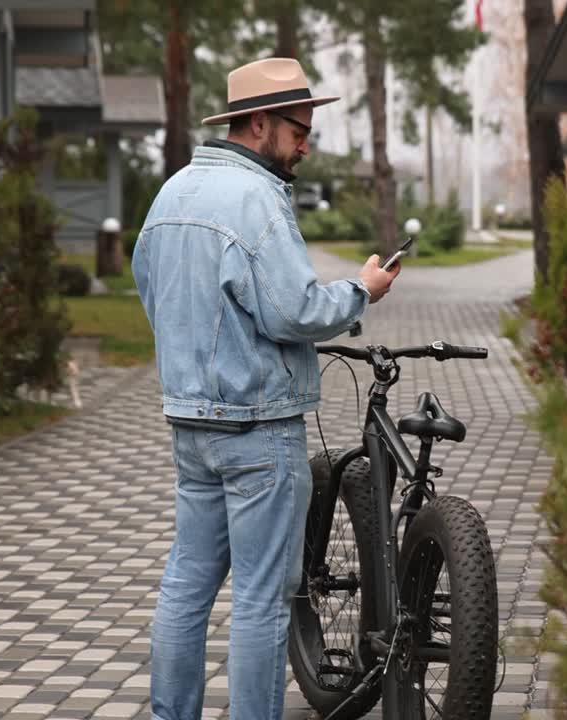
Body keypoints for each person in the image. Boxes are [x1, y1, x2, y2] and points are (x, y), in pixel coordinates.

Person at [132, 57, 401, 720]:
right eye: (299, 129)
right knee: (259, 599)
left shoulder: (173, 193)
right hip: (258, 429)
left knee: (185, 585)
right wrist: (361, 289)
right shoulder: (256, 199)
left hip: (191, 425)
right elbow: (294, 311)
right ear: (259, 124)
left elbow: (151, 289)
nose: (307, 143)